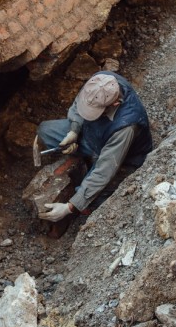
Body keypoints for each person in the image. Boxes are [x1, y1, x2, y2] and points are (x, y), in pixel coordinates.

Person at [37, 71, 153, 222]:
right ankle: (84, 160)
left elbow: (104, 171)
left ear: (115, 103)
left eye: (95, 111)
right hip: (91, 134)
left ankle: (84, 206)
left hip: (121, 157)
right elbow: (78, 106)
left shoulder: (126, 126)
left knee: (95, 200)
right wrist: (74, 131)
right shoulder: (98, 83)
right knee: (45, 131)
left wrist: (69, 207)